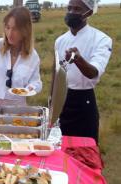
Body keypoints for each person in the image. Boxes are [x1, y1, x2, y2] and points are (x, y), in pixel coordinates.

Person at [55, 0, 112, 144]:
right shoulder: (60, 40)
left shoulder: (101, 39)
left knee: (84, 150)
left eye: (77, 9)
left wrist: (79, 60)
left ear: (89, 12)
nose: (71, 13)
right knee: (61, 147)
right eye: (69, 8)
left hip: (84, 101)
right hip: (63, 99)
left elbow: (94, 72)